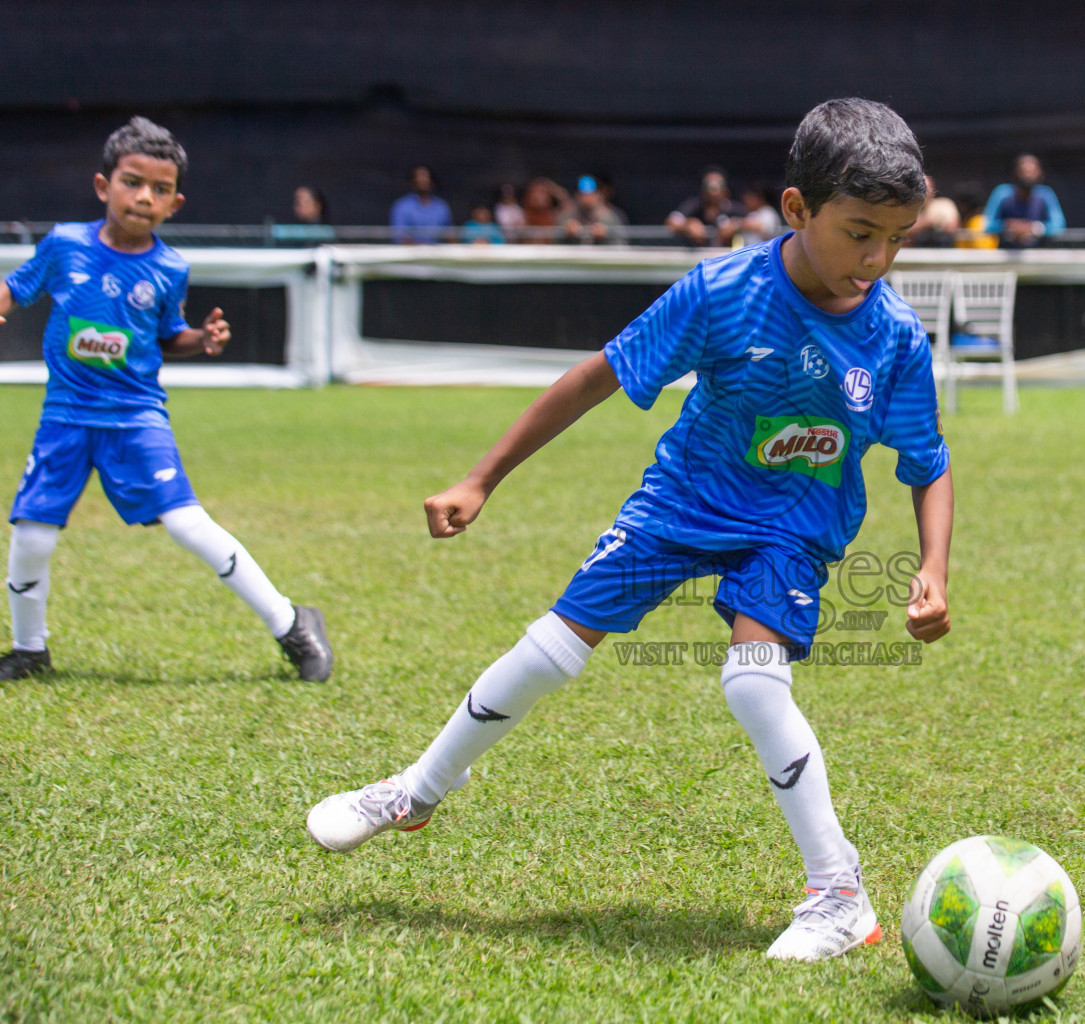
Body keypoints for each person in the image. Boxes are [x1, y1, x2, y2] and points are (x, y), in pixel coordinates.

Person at [305, 97, 953, 964]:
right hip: (682, 501)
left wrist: (933, 568)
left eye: (899, 238)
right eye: (861, 231)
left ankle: (839, 894)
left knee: (754, 684)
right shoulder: (723, 294)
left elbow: (928, 462)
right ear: (796, 210)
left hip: (794, 525)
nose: (877, 259)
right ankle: (415, 792)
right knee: (548, 648)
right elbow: (594, 378)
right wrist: (481, 477)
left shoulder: (897, 338)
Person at [0, 117, 333, 683]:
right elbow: (17, 285)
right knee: (31, 533)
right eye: (132, 182)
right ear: (104, 186)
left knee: (186, 524)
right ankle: (31, 651)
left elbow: (164, 335)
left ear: (174, 203)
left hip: (136, 418)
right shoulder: (65, 245)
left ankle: (292, 623)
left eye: (159, 190)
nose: (143, 197)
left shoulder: (169, 267)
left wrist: (200, 339)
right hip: (65, 417)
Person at [983, 154, 1065, 248]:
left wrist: (1034, 228)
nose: (1028, 175)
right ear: (1015, 173)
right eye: (1024, 171)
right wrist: (1009, 226)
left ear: (1040, 173)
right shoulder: (1002, 193)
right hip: (1006, 255)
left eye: (1032, 171)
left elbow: (1059, 226)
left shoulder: (1046, 194)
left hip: (1038, 254)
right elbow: (987, 225)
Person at [667, 166, 746, 246]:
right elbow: (673, 220)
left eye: (718, 186)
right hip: (700, 254)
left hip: (728, 254)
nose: (713, 192)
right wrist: (688, 224)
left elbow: (754, 221)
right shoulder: (694, 205)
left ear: (725, 190)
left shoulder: (734, 208)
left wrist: (736, 225)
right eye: (708, 186)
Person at [390, 165, 454, 244]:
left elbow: (450, 235)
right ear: (412, 181)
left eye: (425, 176)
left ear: (432, 181)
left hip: (438, 253)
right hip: (411, 254)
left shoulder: (442, 206)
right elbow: (400, 237)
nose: (422, 180)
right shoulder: (402, 206)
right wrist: (421, 251)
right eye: (419, 177)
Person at [562, 175, 627, 244]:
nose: (587, 198)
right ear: (577, 195)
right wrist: (567, 232)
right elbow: (554, 241)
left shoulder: (609, 217)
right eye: (583, 194)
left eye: (591, 194)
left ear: (598, 195)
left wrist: (606, 235)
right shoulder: (568, 216)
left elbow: (622, 244)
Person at [909, 175, 961, 248]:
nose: (924, 193)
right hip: (916, 251)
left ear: (933, 189)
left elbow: (952, 227)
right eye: (920, 188)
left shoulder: (944, 204)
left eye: (927, 189)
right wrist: (929, 222)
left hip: (943, 251)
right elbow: (905, 231)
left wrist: (920, 224)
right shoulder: (908, 208)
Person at [518, 177, 571, 243]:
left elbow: (567, 205)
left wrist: (553, 188)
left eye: (542, 193)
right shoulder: (522, 217)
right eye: (536, 192)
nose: (539, 197)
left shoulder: (552, 216)